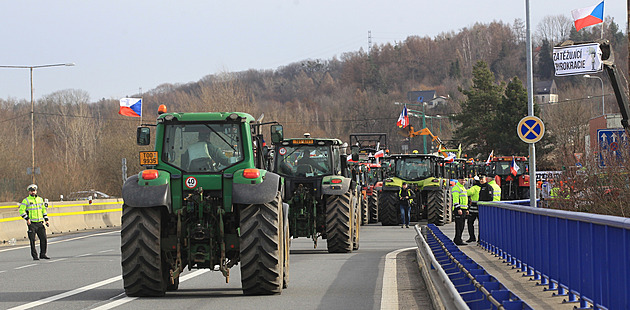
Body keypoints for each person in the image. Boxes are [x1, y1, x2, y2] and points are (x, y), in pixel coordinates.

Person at [18, 184, 49, 260]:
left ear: (36, 191)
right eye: (31, 191)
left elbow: (43, 210)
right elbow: (21, 210)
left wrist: (46, 220)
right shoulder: (26, 200)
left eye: (34, 191)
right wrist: (27, 218)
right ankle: (34, 256)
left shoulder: (40, 199)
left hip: (40, 223)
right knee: (32, 240)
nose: (33, 192)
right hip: (32, 224)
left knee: (44, 239)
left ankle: (43, 254)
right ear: (29, 192)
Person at [466, 174, 493, 243]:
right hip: (474, 208)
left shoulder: (488, 187)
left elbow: (490, 198)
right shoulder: (479, 187)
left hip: (482, 208)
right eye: (480, 179)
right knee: (470, 222)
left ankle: (480, 238)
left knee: (481, 224)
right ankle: (473, 237)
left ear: (485, 179)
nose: (481, 180)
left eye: (482, 179)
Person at [451, 176, 468, 245]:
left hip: (463, 209)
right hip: (459, 209)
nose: (463, 181)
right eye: (461, 180)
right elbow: (455, 199)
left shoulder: (463, 188)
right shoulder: (456, 188)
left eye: (464, 180)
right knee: (459, 225)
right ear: (458, 180)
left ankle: (458, 239)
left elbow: (465, 200)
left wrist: (466, 209)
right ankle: (458, 240)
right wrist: (458, 208)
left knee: (462, 225)